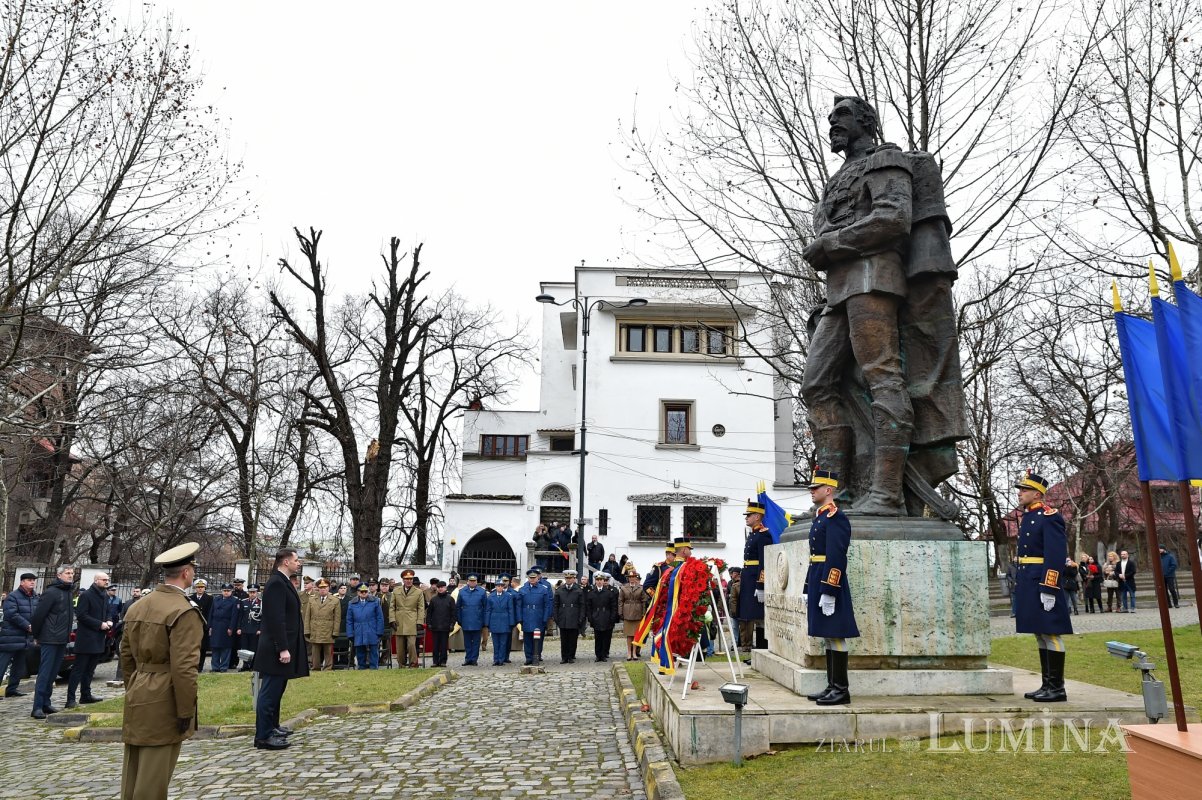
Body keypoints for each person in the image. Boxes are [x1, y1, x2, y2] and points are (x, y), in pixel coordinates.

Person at [118, 542, 204, 800]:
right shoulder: (183, 611)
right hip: (166, 694)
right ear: (187, 572)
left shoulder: (138, 606)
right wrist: (186, 710)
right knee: (154, 777)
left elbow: (125, 655)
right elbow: (185, 668)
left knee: (133, 771)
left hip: (139, 687)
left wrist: (133, 686)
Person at [1013, 470, 1072, 702]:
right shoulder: (1028, 516)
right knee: (1040, 632)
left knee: (1051, 632)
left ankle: (1057, 688)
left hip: (1042, 581)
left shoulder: (1050, 516)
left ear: (1037, 494)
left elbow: (1055, 555)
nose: (1020, 493)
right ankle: (1047, 685)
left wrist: (1049, 587)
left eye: (1024, 490)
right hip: (1029, 580)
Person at [804, 469, 860, 706]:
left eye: (815, 488)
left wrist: (830, 590)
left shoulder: (836, 517)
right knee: (827, 635)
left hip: (830, 581)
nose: (812, 491)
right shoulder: (820, 518)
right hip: (818, 577)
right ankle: (831, 686)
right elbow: (814, 556)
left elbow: (836, 556)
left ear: (828, 490)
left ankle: (841, 689)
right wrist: (808, 588)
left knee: (836, 634)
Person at [252, 548, 309, 750]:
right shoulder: (276, 583)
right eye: (296, 560)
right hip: (276, 649)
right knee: (269, 692)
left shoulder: (283, 581)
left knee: (277, 690)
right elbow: (276, 619)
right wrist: (282, 648)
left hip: (282, 647)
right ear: (285, 562)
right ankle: (263, 736)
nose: (298, 563)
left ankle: (272, 726)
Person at [30, 564, 75, 719]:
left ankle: (46, 703)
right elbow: (38, 616)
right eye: (67, 573)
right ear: (59, 575)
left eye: (72, 573)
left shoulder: (68, 592)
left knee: (54, 673)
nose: (70, 575)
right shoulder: (51, 592)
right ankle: (37, 707)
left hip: (62, 639)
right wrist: (36, 635)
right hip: (49, 638)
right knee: (45, 673)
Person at [68, 571, 114, 707]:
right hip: (86, 638)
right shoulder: (86, 595)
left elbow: (108, 612)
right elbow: (82, 615)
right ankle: (70, 699)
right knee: (78, 670)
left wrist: (109, 621)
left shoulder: (105, 595)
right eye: (104, 579)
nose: (107, 582)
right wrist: (100, 624)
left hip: (99, 638)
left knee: (90, 670)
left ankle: (85, 695)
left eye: (107, 579)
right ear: (96, 581)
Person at [738, 499, 773, 651]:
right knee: (754, 616)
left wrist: (761, 584)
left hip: (755, 580)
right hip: (749, 578)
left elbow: (764, 562)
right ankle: (758, 652)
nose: (746, 517)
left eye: (749, 515)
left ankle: (762, 650)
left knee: (760, 617)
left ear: (758, 516)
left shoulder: (763, 535)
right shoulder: (753, 535)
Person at [0, 572, 38, 698]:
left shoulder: (35, 597)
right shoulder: (13, 596)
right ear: (22, 582)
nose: (32, 582)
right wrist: (28, 626)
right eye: (29, 580)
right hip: (10, 637)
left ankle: (12, 689)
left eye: (33, 580)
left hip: (26, 637)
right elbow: (11, 614)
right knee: (2, 665)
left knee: (19, 665)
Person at [390, 569, 426, 668]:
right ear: (403, 580)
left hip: (412, 620)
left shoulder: (418, 592)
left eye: (410, 579)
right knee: (400, 646)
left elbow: (421, 608)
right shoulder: (396, 591)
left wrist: (419, 621)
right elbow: (392, 606)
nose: (409, 581)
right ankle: (401, 664)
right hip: (399, 621)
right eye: (406, 579)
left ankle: (413, 663)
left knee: (411, 645)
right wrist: (392, 619)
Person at [518, 569, 554, 666]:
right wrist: (519, 617)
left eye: (534, 578)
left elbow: (547, 605)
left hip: (539, 616)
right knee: (527, 639)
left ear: (538, 578)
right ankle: (528, 658)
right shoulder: (523, 590)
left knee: (538, 638)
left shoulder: (543, 589)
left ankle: (536, 656)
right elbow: (519, 605)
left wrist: (545, 617)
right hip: (526, 616)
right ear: (528, 578)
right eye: (531, 578)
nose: (532, 579)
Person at [305, 579, 341, 671]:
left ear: (328, 588)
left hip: (328, 630)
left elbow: (337, 618)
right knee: (315, 652)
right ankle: (315, 668)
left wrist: (335, 632)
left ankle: (327, 669)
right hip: (315, 629)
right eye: (321, 588)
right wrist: (307, 630)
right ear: (318, 588)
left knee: (328, 652)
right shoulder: (312, 600)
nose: (323, 589)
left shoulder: (335, 600)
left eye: (325, 587)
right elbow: (307, 617)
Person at [346, 585, 384, 669]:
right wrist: (350, 633)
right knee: (360, 650)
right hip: (358, 629)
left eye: (365, 591)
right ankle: (361, 667)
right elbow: (349, 620)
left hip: (372, 629)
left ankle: (374, 667)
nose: (363, 593)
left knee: (374, 650)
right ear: (358, 592)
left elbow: (380, 618)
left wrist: (379, 632)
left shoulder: (375, 601)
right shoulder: (352, 603)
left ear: (368, 592)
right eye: (361, 591)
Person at [553, 569, 586, 664]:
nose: (568, 580)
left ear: (574, 579)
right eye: (566, 578)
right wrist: (556, 617)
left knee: (572, 639)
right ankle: (564, 657)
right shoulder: (560, 590)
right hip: (563, 617)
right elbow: (556, 605)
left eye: (570, 578)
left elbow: (582, 605)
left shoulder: (578, 590)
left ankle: (571, 656)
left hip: (574, 617)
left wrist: (581, 618)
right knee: (564, 639)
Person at [484, 575, 518, 665]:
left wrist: (511, 622)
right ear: (495, 586)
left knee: (503, 642)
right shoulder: (491, 596)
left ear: (503, 587)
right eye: (498, 586)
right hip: (494, 620)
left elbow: (511, 610)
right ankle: (496, 659)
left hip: (504, 621)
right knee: (495, 643)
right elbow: (488, 610)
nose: (499, 587)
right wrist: (487, 622)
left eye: (501, 586)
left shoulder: (508, 596)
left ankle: (501, 659)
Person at [585, 573, 619, 662]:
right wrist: (590, 618)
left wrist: (612, 618)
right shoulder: (591, 593)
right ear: (595, 581)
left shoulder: (609, 593)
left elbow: (613, 607)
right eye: (597, 580)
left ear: (604, 581)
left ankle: (604, 655)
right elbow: (589, 607)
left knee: (605, 637)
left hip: (606, 617)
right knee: (598, 637)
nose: (599, 582)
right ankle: (598, 655)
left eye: (601, 580)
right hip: (596, 617)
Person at [456, 574, 487, 666]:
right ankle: (468, 658)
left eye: (474, 581)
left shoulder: (482, 592)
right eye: (471, 581)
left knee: (476, 641)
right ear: (467, 582)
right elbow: (458, 607)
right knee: (467, 641)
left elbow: (485, 607)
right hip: (465, 620)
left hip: (478, 620)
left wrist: (484, 621)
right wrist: (459, 619)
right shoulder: (462, 592)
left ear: (477, 582)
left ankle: (474, 659)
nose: (472, 582)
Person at [208, 583, 240, 673]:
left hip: (226, 626)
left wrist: (231, 628)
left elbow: (234, 616)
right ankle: (215, 667)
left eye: (228, 591)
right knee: (215, 647)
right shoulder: (216, 599)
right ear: (222, 591)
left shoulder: (234, 601)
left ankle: (223, 667)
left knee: (226, 647)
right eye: (224, 591)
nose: (226, 592)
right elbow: (211, 613)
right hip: (215, 625)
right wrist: (210, 626)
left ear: (231, 591)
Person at [618, 568, 649, 661]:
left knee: (636, 634)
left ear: (636, 578)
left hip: (637, 612)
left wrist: (643, 613)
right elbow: (620, 601)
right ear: (628, 578)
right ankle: (629, 652)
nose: (632, 579)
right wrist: (620, 612)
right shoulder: (623, 588)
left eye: (634, 577)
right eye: (630, 577)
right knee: (629, 635)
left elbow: (644, 601)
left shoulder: (641, 588)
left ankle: (634, 652)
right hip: (627, 612)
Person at [426, 581, 456, 667]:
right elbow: (429, 613)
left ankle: (443, 661)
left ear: (445, 588)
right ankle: (435, 661)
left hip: (445, 626)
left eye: (442, 587)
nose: (440, 589)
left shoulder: (450, 599)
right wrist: (429, 624)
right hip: (435, 626)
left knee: (444, 645)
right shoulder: (433, 599)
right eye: (439, 587)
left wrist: (452, 624)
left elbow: (453, 613)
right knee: (435, 646)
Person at [188, 579, 212, 672]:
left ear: (205, 588)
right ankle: (192, 666)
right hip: (193, 626)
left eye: (202, 587)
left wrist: (208, 625)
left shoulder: (209, 598)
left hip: (204, 626)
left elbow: (210, 612)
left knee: (203, 648)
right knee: (193, 648)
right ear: (195, 588)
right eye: (198, 587)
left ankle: (200, 667)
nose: (200, 589)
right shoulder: (190, 598)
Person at [237, 583, 262, 671]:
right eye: (250, 592)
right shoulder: (244, 602)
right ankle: (245, 665)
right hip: (245, 629)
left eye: (254, 592)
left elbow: (262, 618)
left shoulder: (261, 603)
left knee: (253, 648)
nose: (252, 594)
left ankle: (253, 665)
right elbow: (240, 616)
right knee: (244, 648)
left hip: (255, 629)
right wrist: (239, 628)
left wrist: (260, 629)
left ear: (257, 593)